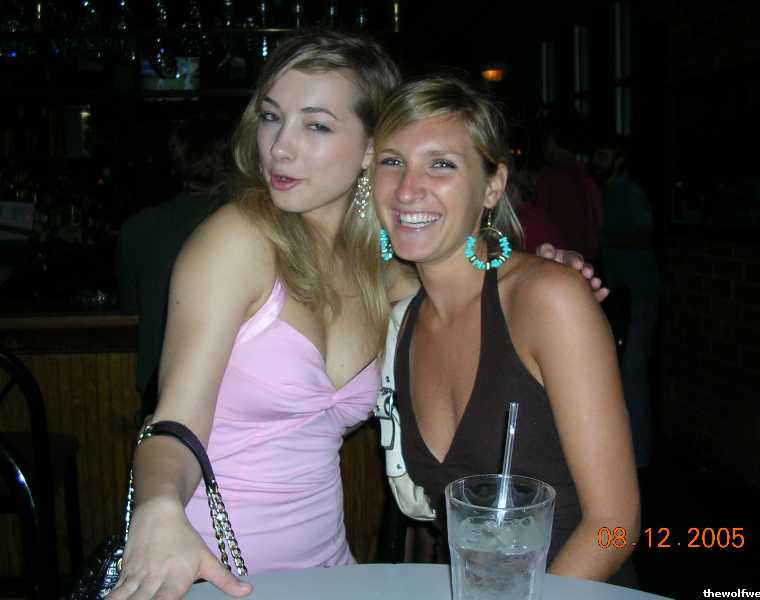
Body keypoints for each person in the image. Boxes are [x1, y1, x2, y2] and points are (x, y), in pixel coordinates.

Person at [110, 31, 605, 600]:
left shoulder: (382, 271)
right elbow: (174, 421)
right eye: (271, 117)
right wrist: (157, 506)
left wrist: (546, 274)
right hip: (212, 567)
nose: (280, 148)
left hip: (332, 571)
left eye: (316, 125)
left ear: (372, 149)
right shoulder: (236, 240)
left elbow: (476, 279)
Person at [371, 75, 639, 583]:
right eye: (392, 161)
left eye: (441, 164)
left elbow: (616, 528)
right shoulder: (400, 322)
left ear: (492, 185)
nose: (407, 188)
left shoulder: (546, 299)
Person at [116, 113, 234, 417]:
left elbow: (129, 308)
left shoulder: (137, 227)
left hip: (158, 390)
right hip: (230, 390)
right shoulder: (250, 225)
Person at [591, 135, 660, 470]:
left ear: (618, 159)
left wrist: (601, 237)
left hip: (637, 298)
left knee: (632, 379)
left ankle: (637, 461)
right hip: (620, 298)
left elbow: (644, 234)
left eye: (603, 154)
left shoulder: (629, 193)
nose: (596, 161)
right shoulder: (605, 192)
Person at [533, 110, 603, 262]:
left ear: (552, 141)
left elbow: (538, 224)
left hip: (556, 260)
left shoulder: (551, 177)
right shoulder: (586, 175)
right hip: (584, 261)